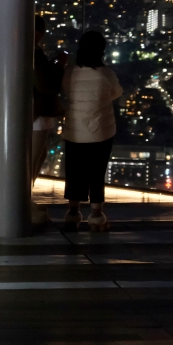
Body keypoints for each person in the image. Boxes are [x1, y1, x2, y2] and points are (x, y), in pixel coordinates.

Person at [61, 31, 122, 231]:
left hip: (74, 130)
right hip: (100, 131)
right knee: (97, 172)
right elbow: (116, 92)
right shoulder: (106, 73)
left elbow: (65, 91)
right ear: (101, 51)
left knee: (74, 172)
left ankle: (72, 213)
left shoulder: (70, 72)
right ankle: (96, 215)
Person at [32, 16, 67, 225]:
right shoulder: (33, 52)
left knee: (40, 153)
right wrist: (60, 65)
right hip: (37, 110)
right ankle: (23, 200)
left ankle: (25, 198)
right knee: (33, 156)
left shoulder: (30, 52)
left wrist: (55, 62)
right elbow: (47, 85)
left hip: (34, 110)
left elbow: (44, 73)